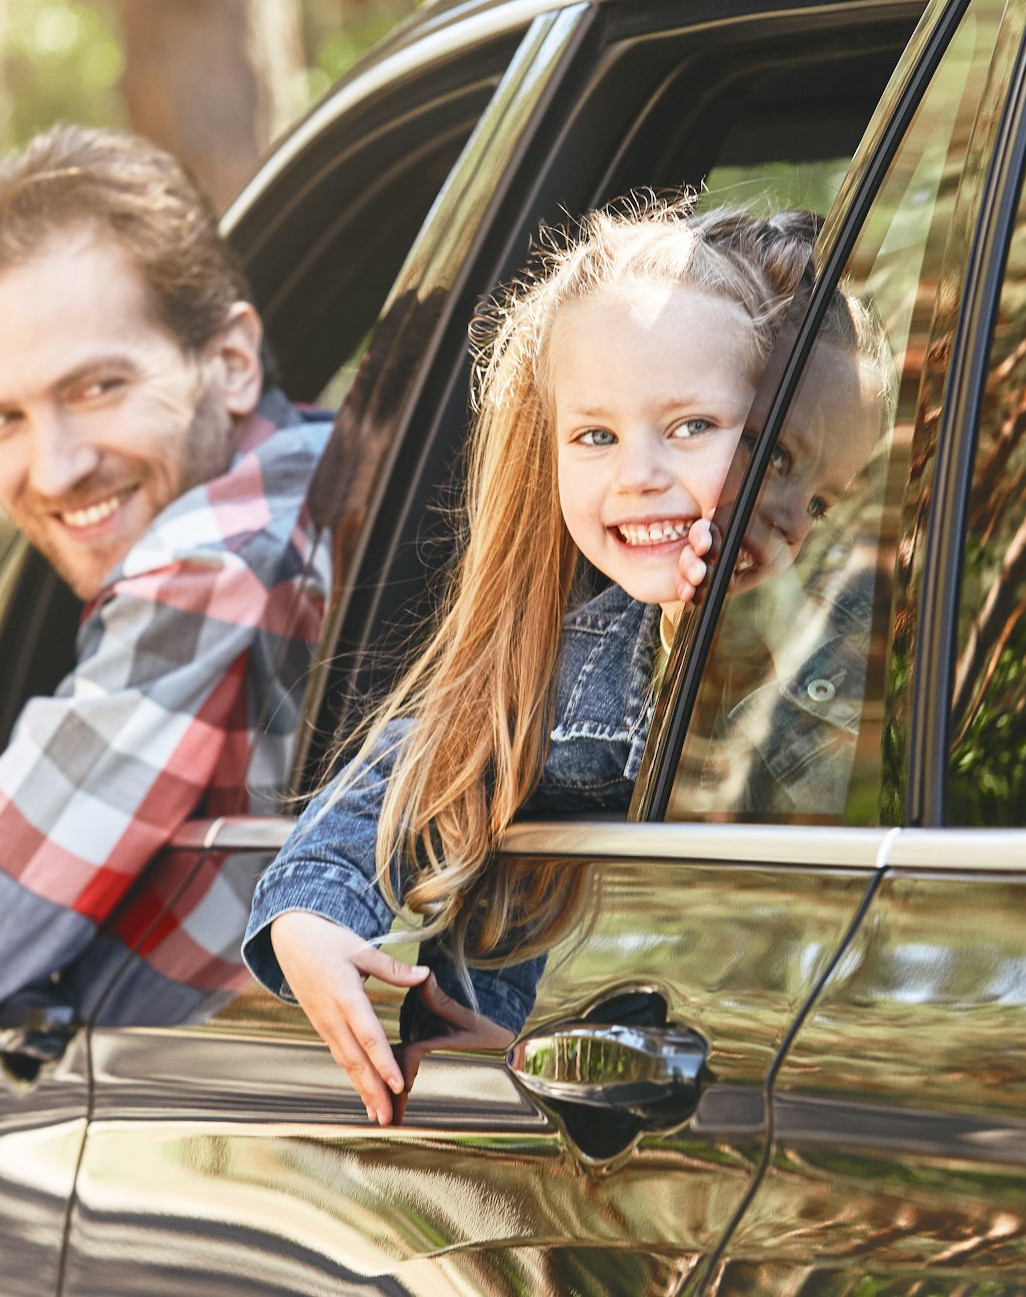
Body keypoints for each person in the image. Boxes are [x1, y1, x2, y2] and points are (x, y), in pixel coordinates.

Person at [241, 202, 887, 1124]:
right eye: (595, 435)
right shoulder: (568, 669)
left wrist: (768, 620)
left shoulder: (868, 643)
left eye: (696, 427)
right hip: (569, 1110)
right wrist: (309, 921)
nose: (638, 474)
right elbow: (391, 789)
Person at [0, 125, 333, 1024]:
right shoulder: (323, 466)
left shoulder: (212, 556)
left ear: (232, 362)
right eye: (2, 418)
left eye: (96, 388)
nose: (52, 472)